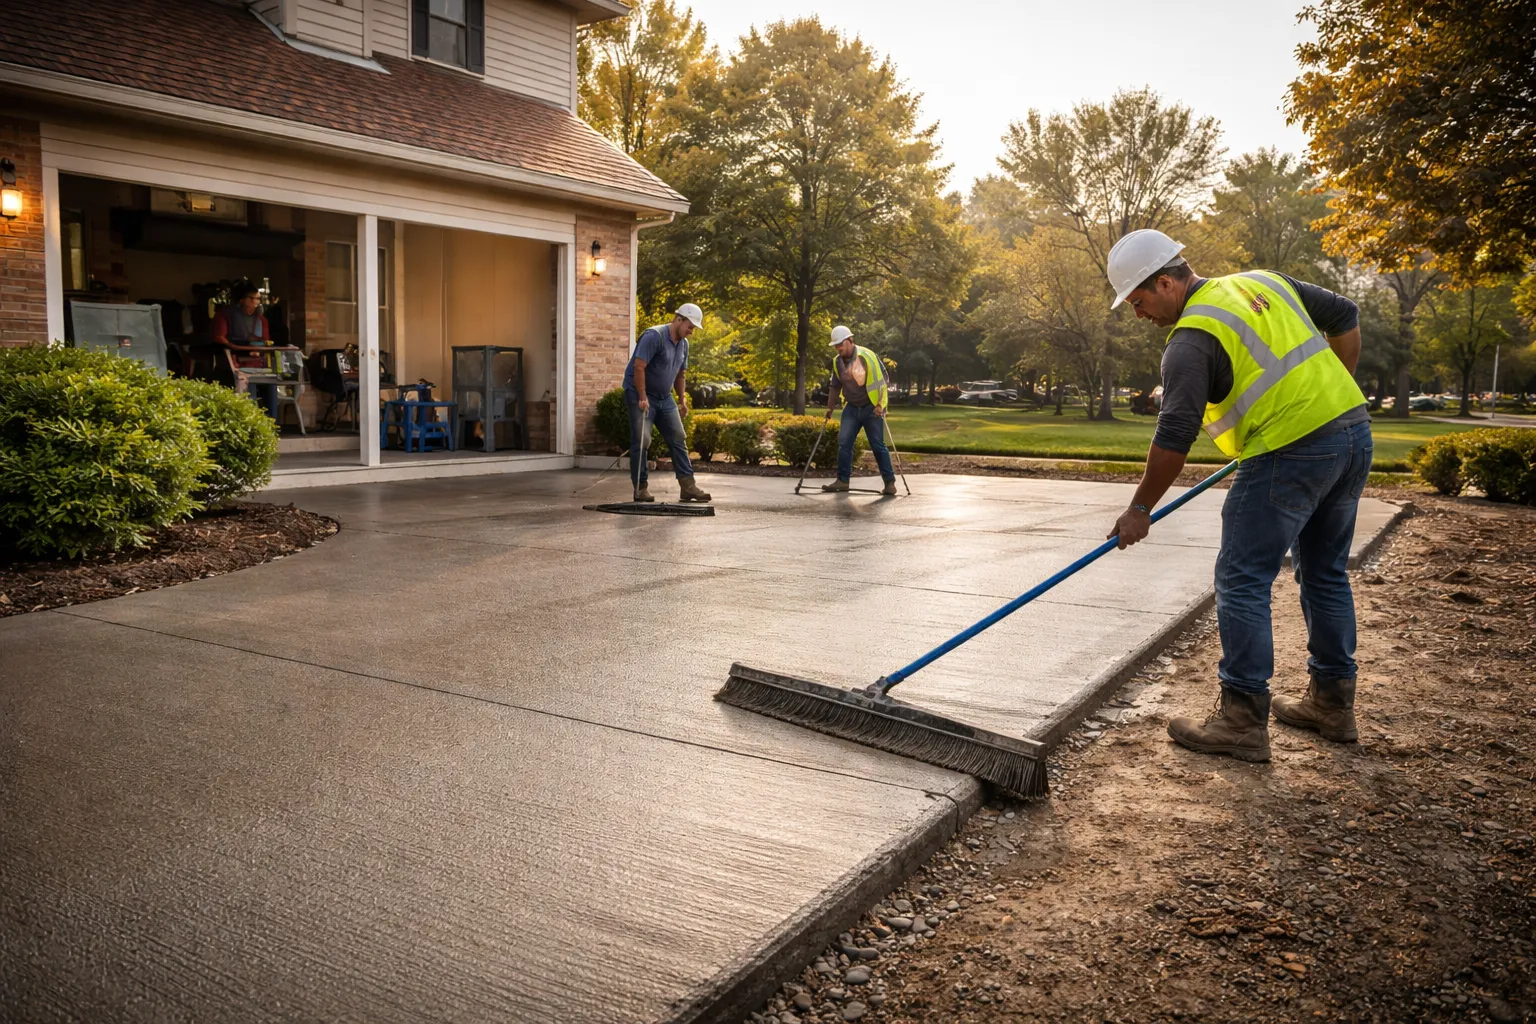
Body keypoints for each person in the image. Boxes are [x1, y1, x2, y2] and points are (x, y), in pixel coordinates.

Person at [1104, 229, 1371, 763]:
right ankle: (1332, 704)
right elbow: (1345, 313)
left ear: (1165, 282)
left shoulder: (1190, 340)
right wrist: (1330, 392)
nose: (1139, 315)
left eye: (1138, 301)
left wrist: (1139, 509)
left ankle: (1242, 719)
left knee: (1241, 577)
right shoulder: (1263, 282)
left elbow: (1173, 437)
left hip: (1289, 451)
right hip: (1352, 433)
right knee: (1324, 572)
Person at [622, 303, 711, 503]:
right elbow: (638, 367)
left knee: (678, 436)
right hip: (639, 393)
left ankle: (688, 486)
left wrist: (682, 399)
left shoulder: (684, 344)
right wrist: (642, 396)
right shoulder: (654, 336)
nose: (691, 332)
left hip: (664, 396)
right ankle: (640, 488)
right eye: (690, 326)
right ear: (678, 319)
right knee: (642, 440)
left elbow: (680, 374)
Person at [821, 326, 898, 496]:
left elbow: (882, 381)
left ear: (850, 341)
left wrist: (880, 406)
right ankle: (842, 481)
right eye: (836, 346)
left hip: (871, 407)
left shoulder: (866, 356)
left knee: (878, 445)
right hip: (852, 407)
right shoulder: (837, 361)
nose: (839, 348)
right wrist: (830, 407)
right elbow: (835, 386)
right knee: (844, 443)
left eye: (841, 344)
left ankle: (889, 483)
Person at [211, 282, 278, 420]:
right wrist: (236, 348)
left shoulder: (261, 319)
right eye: (255, 299)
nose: (258, 303)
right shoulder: (224, 315)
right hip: (235, 364)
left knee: (272, 382)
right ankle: (250, 420)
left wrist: (259, 350)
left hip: (259, 364)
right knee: (249, 383)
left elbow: (266, 341)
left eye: (259, 299)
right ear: (244, 300)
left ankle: (272, 421)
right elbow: (219, 337)